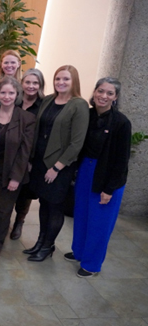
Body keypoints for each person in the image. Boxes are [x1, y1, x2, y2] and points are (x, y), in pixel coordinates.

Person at [64, 78, 131, 277]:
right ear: (94, 92)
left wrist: (109, 189)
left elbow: (121, 160)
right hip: (86, 170)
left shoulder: (121, 122)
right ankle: (80, 252)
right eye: (101, 91)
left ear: (116, 97)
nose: (104, 96)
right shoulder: (89, 115)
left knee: (99, 222)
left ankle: (91, 264)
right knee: (82, 214)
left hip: (108, 176)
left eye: (110, 93)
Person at [24, 65, 89, 262]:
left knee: (55, 207)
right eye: (58, 78)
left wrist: (57, 167)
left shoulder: (79, 105)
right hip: (41, 162)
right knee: (44, 203)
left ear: (74, 81)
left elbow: (77, 143)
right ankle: (40, 242)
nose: (61, 82)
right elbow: (38, 130)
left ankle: (48, 246)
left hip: (60, 166)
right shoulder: (49, 100)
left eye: (66, 79)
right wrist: (31, 159)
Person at [0, 77, 35, 261]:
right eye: (3, 92)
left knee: (3, 210)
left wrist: (16, 177)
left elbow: (25, 151)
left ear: (17, 95)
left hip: (11, 171)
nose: (7, 96)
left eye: (11, 93)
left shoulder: (26, 118)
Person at [10, 68, 46, 240]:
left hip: (31, 155)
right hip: (11, 152)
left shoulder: (44, 106)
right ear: (22, 83)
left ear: (40, 85)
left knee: (25, 192)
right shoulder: (13, 101)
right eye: (28, 82)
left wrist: (31, 159)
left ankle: (19, 221)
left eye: (35, 83)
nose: (31, 86)